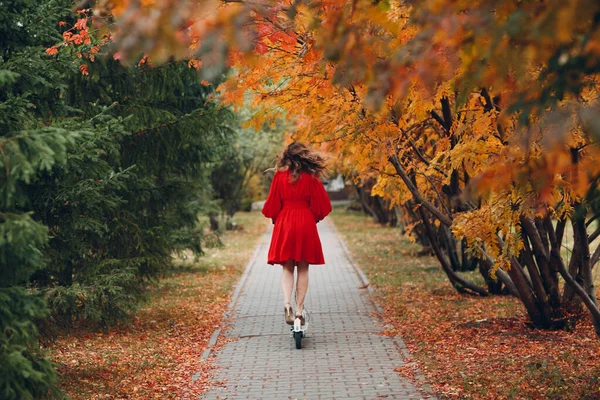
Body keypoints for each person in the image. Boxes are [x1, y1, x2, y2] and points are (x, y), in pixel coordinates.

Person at [262, 142, 332, 325]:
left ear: (287, 156)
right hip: (305, 221)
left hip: (285, 221)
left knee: (287, 267)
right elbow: (322, 204)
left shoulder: (279, 177)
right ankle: (299, 310)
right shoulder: (311, 177)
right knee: (303, 267)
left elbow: (271, 205)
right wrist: (314, 217)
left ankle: (287, 304)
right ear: (304, 156)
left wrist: (276, 218)